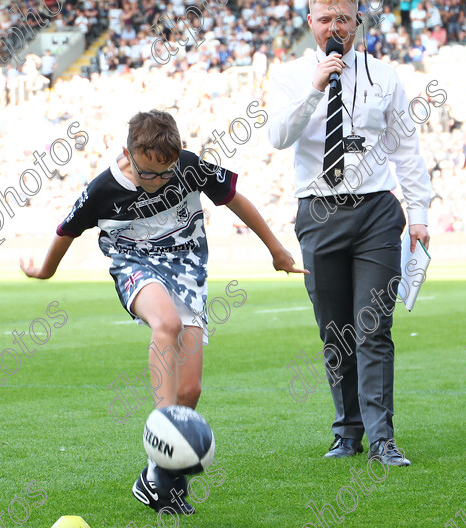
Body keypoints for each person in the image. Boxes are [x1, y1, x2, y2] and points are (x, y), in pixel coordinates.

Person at [20, 110, 306, 514]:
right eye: (148, 174)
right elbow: (66, 231)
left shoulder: (187, 167)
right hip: (133, 262)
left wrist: (276, 249)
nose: (157, 182)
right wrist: (44, 272)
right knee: (165, 323)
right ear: (128, 155)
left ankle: (159, 474)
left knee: (189, 392)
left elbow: (235, 200)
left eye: (166, 174)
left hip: (188, 270)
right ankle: (162, 429)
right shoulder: (103, 188)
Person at [265, 0, 431, 467]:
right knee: (334, 330)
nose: (334, 28)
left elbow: (406, 149)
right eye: (324, 19)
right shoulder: (292, 76)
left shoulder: (385, 76)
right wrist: (316, 87)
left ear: (357, 21)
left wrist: (418, 216)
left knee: (374, 328)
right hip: (318, 211)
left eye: (343, 19)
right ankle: (347, 431)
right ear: (309, 22)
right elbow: (278, 136)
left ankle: (382, 439)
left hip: (377, 210)